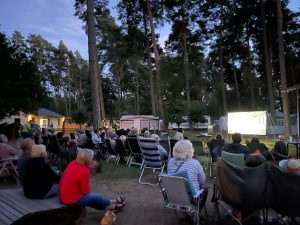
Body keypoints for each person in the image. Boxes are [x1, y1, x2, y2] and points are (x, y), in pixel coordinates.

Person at [58, 148, 126, 212]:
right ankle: (113, 201)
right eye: (91, 157)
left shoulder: (73, 163)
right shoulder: (84, 170)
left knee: (90, 199)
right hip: (69, 199)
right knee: (95, 197)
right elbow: (85, 191)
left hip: (63, 196)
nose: (92, 159)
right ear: (88, 160)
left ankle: (109, 207)